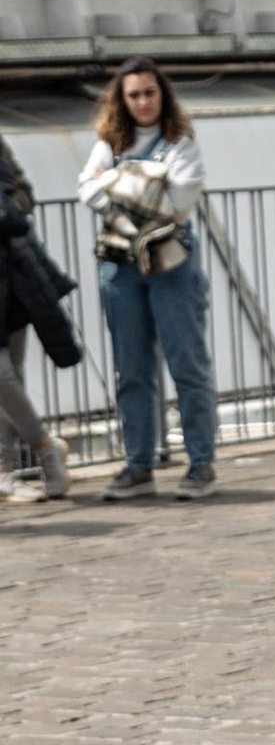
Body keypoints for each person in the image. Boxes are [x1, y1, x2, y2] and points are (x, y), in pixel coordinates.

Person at [80, 61, 219, 501]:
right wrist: (149, 183)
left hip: (171, 264)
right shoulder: (109, 141)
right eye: (134, 94)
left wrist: (113, 181)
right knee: (131, 370)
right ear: (121, 100)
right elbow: (85, 189)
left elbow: (177, 204)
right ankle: (138, 466)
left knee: (187, 366)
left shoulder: (182, 143)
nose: (143, 101)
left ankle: (201, 464)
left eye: (149, 93)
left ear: (164, 95)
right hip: (120, 265)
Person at [0, 137, 73, 500]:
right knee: (2, 378)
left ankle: (6, 469)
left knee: (11, 374)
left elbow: (25, 195)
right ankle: (45, 448)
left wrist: (4, 205)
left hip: (10, 277)